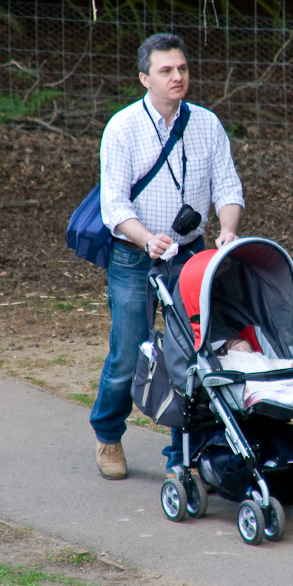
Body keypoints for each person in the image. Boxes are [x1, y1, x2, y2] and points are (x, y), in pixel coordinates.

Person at [90, 33, 244, 480]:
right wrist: (146, 239)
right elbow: (114, 206)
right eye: (166, 70)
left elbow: (228, 187)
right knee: (129, 352)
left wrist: (228, 230)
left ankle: (189, 450)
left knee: (195, 352)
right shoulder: (121, 128)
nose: (178, 77)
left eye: (182, 69)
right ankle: (108, 436)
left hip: (191, 254)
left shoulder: (207, 124)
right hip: (133, 257)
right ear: (145, 78)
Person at [217, 337, 293, 410]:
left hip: (277, 384)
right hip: (255, 390)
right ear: (225, 352)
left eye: (248, 350)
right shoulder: (227, 360)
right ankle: (290, 401)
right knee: (267, 396)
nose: (245, 352)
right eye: (237, 350)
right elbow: (227, 372)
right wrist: (237, 384)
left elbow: (276, 363)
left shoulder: (260, 357)